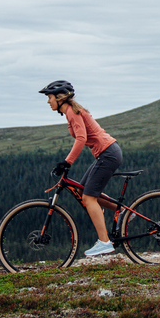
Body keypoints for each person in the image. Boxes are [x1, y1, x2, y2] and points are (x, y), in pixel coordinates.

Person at [39, 80, 123, 256]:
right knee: (85, 191)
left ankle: (104, 242)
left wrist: (67, 162)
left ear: (60, 97)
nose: (48, 101)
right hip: (106, 153)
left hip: (108, 154)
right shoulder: (71, 111)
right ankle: (122, 211)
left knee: (88, 197)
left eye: (49, 97)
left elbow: (81, 138)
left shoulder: (72, 112)